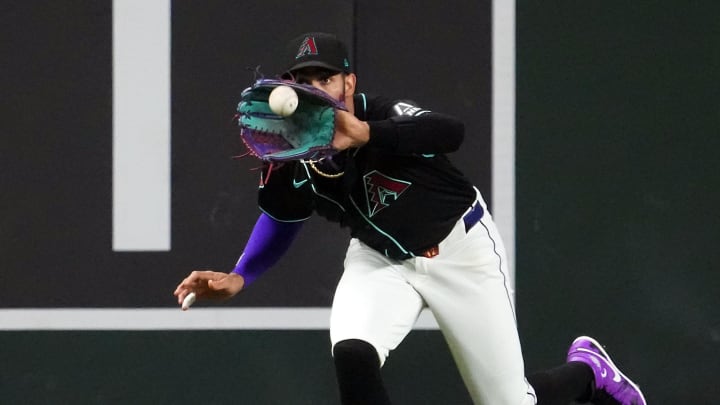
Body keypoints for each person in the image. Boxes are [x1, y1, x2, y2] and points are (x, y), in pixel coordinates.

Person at [173, 32, 647, 405]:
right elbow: (281, 216)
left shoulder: (377, 113)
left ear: (348, 84)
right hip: (380, 261)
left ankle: (589, 373)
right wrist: (241, 275)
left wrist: (367, 133)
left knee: (510, 402)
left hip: (462, 251)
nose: (315, 88)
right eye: (304, 80)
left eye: (325, 78)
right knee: (353, 352)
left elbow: (450, 131)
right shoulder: (289, 152)